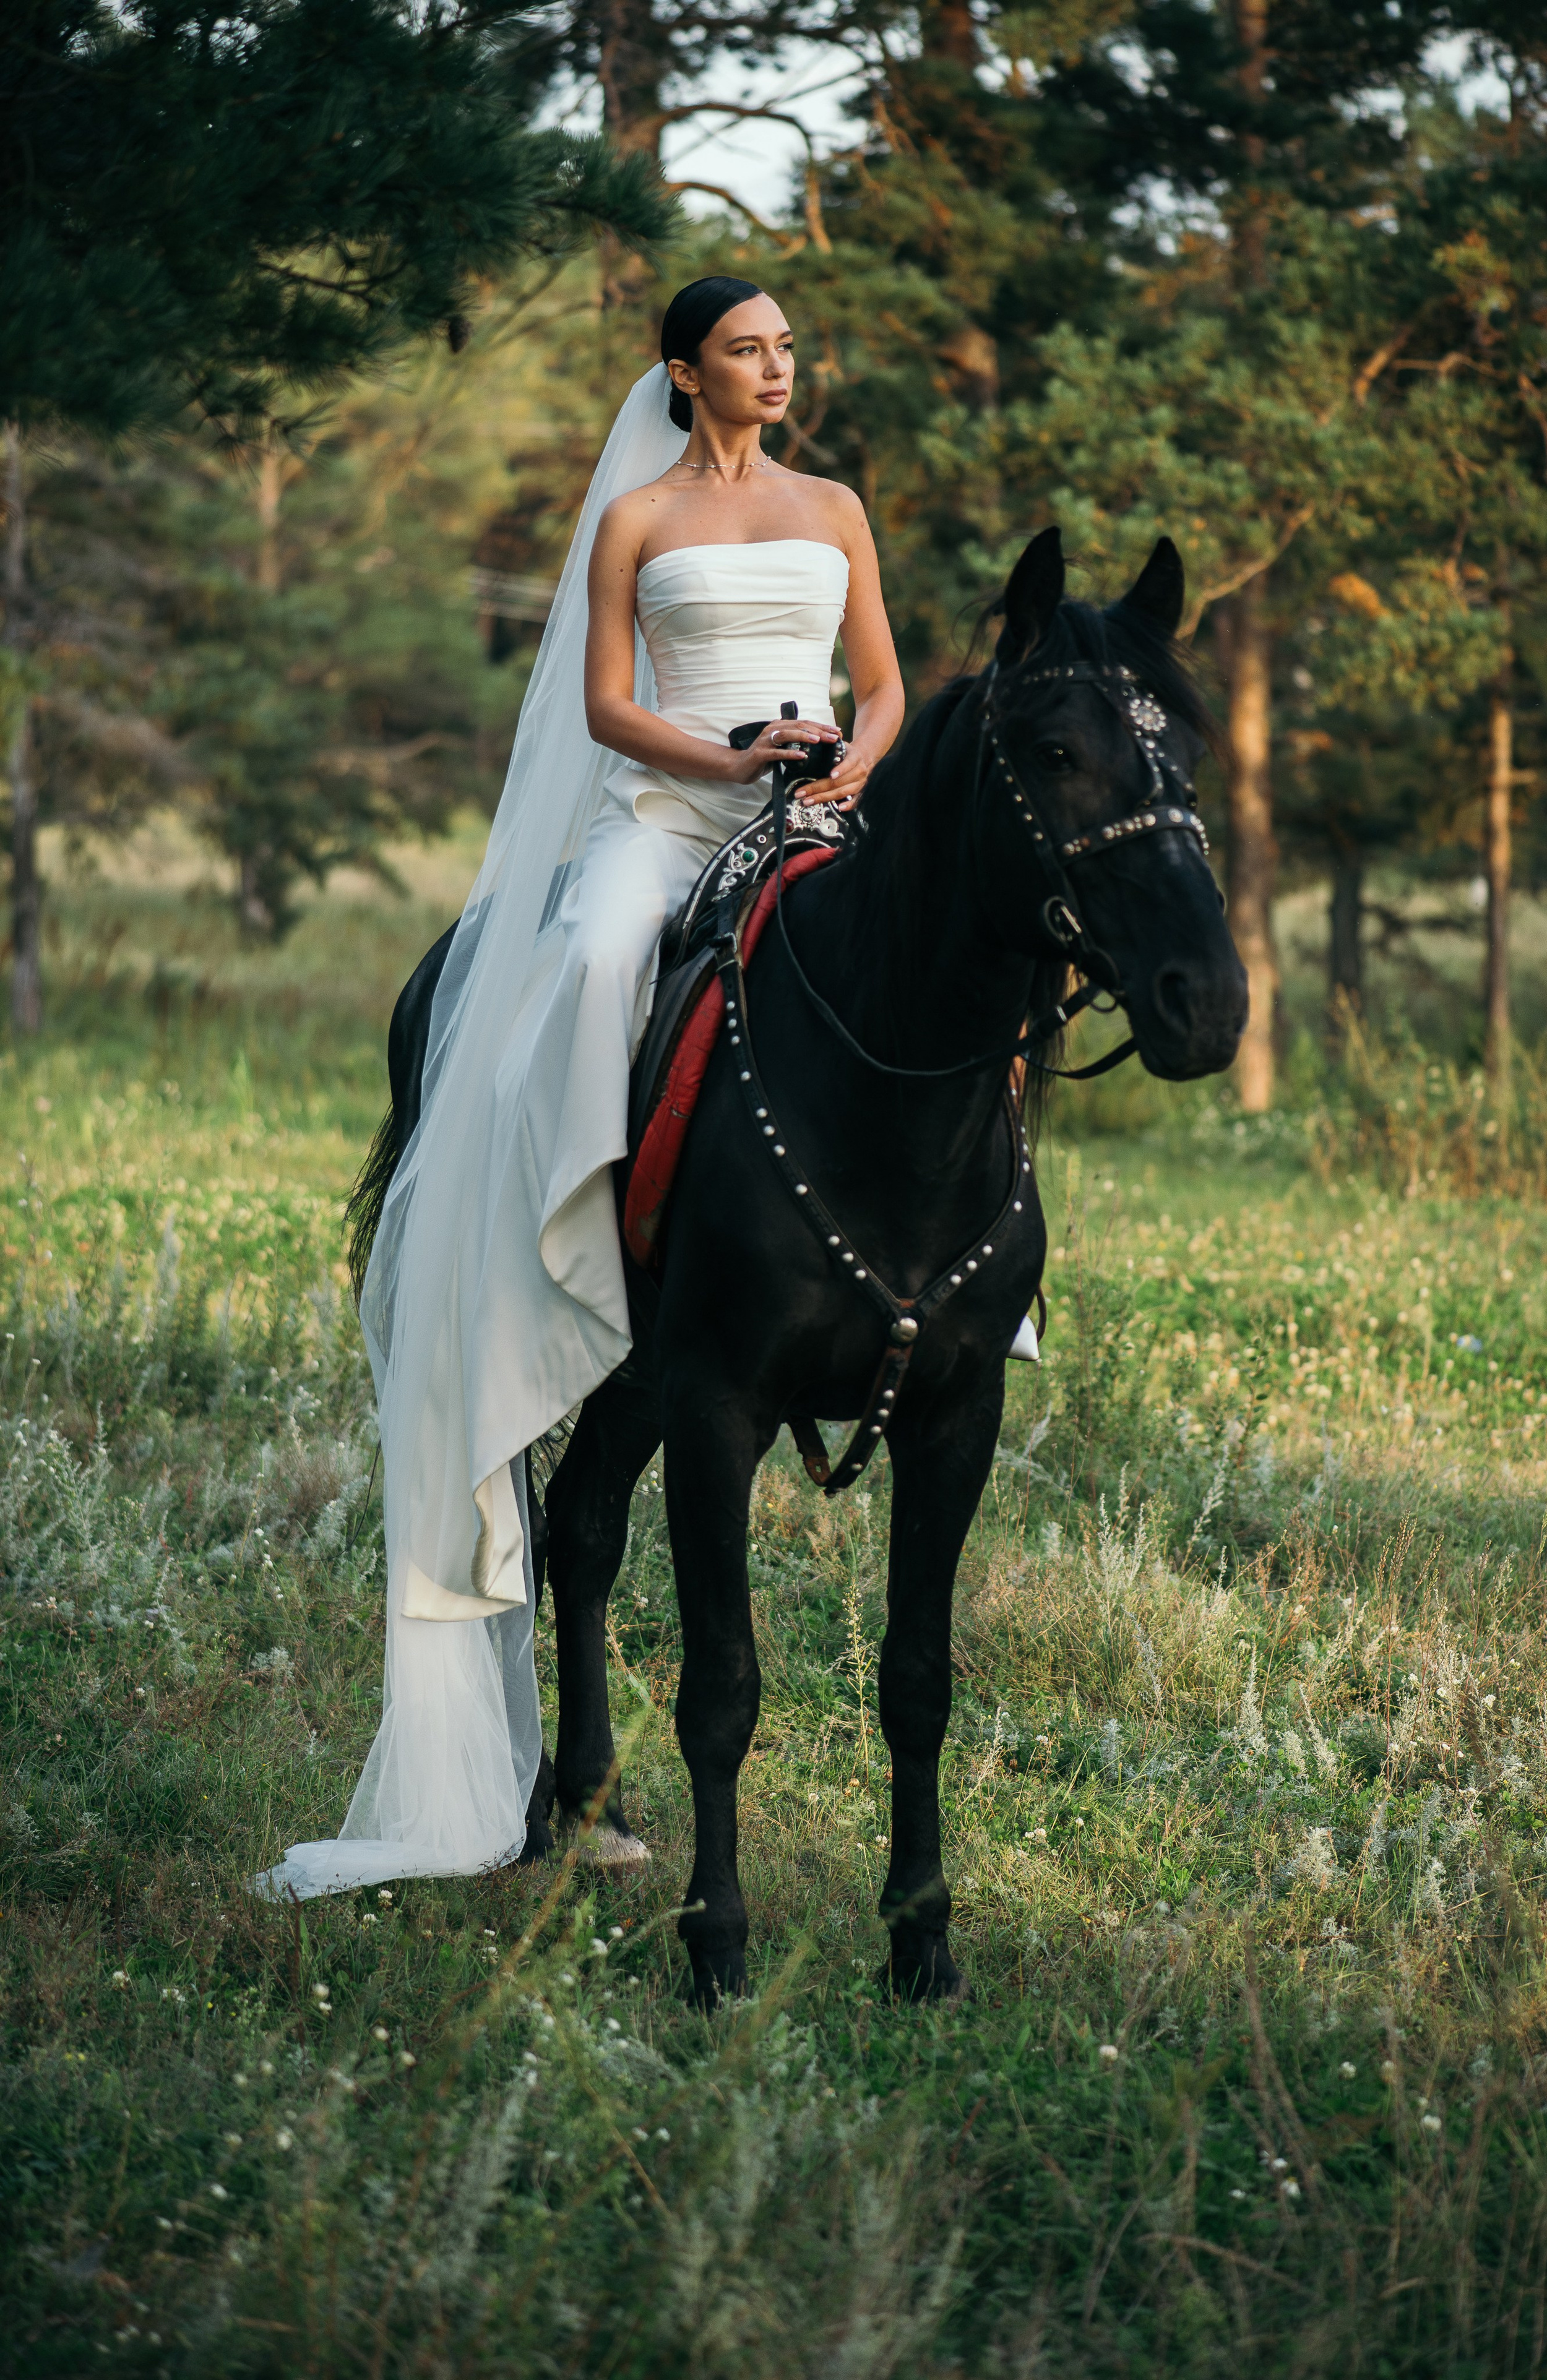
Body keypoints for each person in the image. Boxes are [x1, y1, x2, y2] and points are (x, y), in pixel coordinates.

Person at [257, 279, 905, 1899]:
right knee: (605, 968)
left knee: (934, 999)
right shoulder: (635, 519)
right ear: (686, 375)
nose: (779, 365)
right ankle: (586, 1219)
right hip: (671, 813)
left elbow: (885, 681)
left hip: (817, 810)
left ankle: (969, 1283)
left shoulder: (835, 509)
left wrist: (845, 762)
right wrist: (726, 763)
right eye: (748, 348)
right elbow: (610, 706)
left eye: (785, 345)